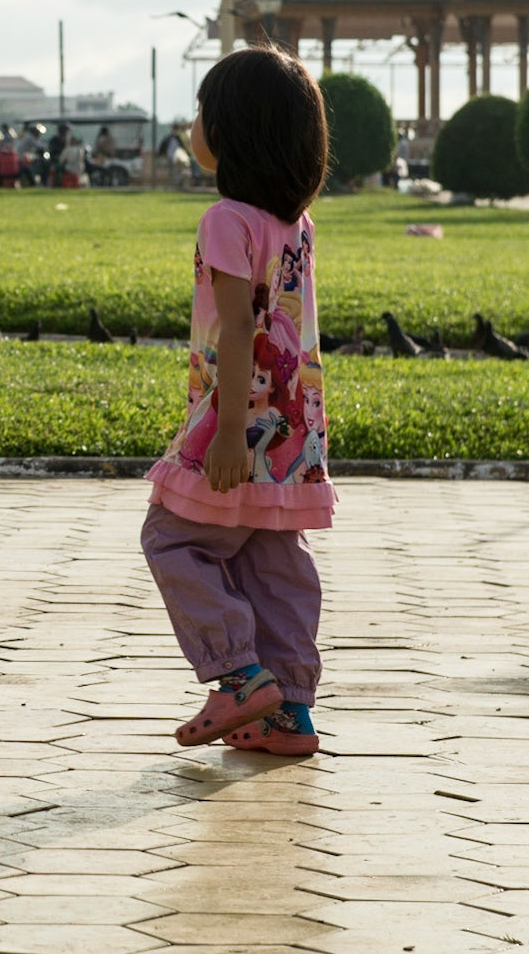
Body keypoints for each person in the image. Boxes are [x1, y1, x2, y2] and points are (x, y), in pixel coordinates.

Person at [140, 46, 333, 758]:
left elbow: (234, 327)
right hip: (294, 429)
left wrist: (224, 432)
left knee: (171, 537)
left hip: (236, 419)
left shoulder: (226, 219)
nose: (194, 125)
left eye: (201, 112)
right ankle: (290, 712)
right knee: (273, 558)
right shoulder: (296, 225)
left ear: (229, 132)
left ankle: (239, 673)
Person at [47, 122, 70, 186]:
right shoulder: (54, 140)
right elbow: (52, 151)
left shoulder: (67, 140)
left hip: (66, 161)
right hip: (55, 160)